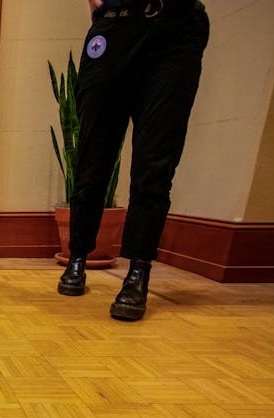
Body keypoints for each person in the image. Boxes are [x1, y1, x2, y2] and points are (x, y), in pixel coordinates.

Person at [57, 0, 210, 320]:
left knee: (154, 164)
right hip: (116, 26)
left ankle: (138, 272)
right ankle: (78, 255)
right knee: (91, 159)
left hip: (176, 29)